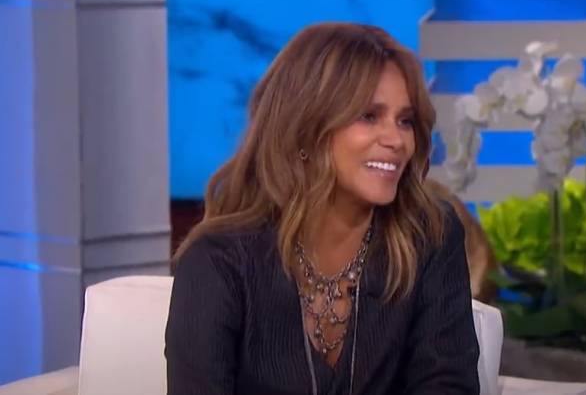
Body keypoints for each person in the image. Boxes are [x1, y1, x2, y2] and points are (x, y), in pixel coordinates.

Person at [165, 22, 480, 395]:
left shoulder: (428, 236)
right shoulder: (219, 261)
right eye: (369, 116)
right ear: (305, 127)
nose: (396, 140)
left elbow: (447, 384)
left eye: (405, 121)